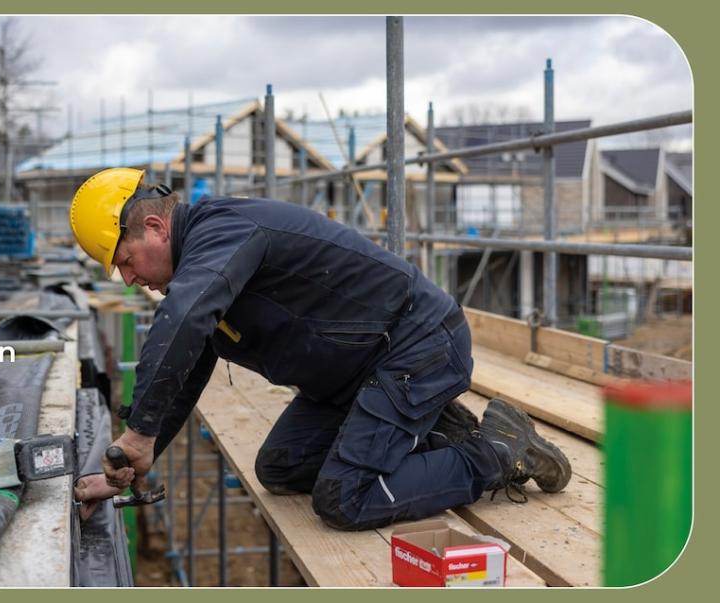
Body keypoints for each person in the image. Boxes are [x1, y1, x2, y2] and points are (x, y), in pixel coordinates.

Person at [72, 167, 571, 529]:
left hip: (417, 347)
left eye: (127, 261)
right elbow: (187, 363)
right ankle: (436, 429)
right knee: (280, 468)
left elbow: (183, 319)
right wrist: (141, 450)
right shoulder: (204, 260)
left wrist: (136, 431)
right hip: (357, 374)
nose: (131, 279)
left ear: (157, 228)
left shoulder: (225, 233)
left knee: (345, 499)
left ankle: (498, 452)